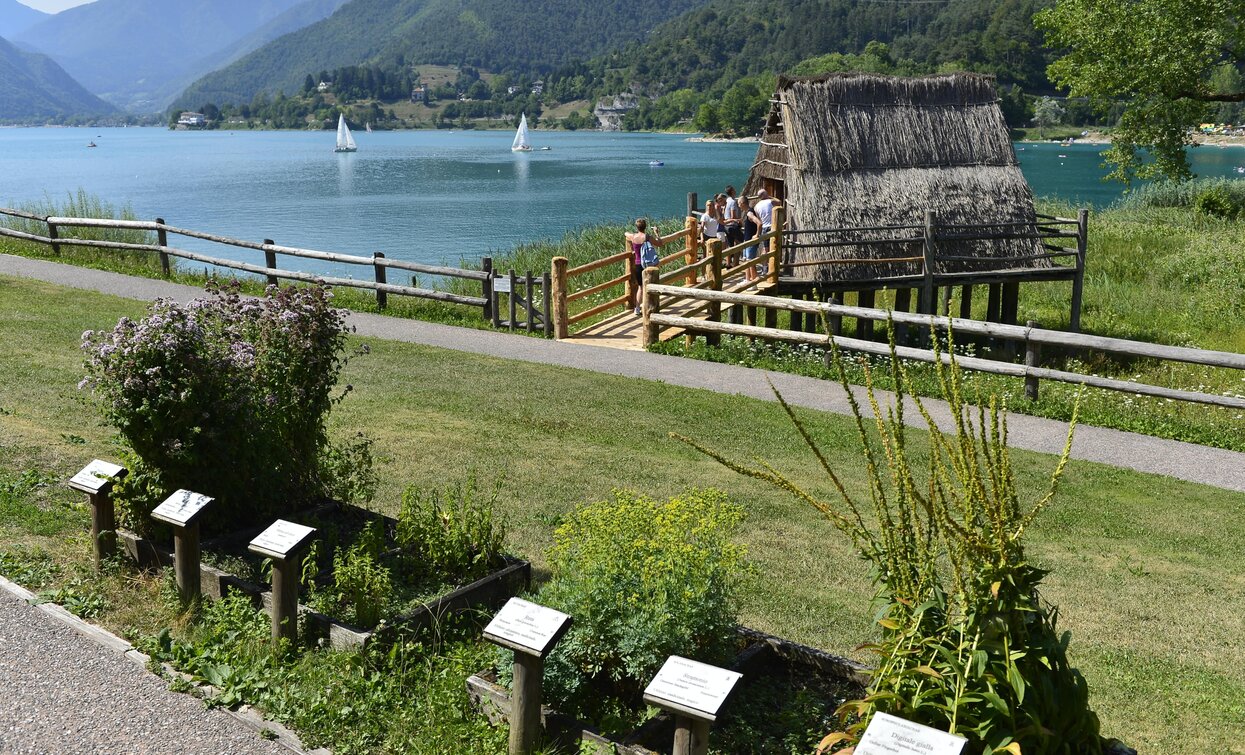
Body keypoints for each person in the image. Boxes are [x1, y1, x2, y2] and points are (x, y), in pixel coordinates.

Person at [625, 218, 664, 315]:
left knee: (641, 287)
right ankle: (650, 305)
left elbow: (626, 233)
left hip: (638, 264)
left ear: (637, 227)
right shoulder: (647, 237)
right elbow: (660, 243)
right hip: (648, 264)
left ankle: (637, 308)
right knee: (650, 285)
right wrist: (656, 233)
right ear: (645, 227)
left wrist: (629, 233)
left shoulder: (633, 237)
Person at [738, 195, 762, 281]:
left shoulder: (749, 213)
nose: (738, 206)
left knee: (750, 262)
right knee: (747, 261)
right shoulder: (748, 212)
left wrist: (756, 235)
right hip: (747, 240)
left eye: (739, 204)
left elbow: (759, 223)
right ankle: (747, 279)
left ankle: (754, 281)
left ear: (742, 203)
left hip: (751, 242)